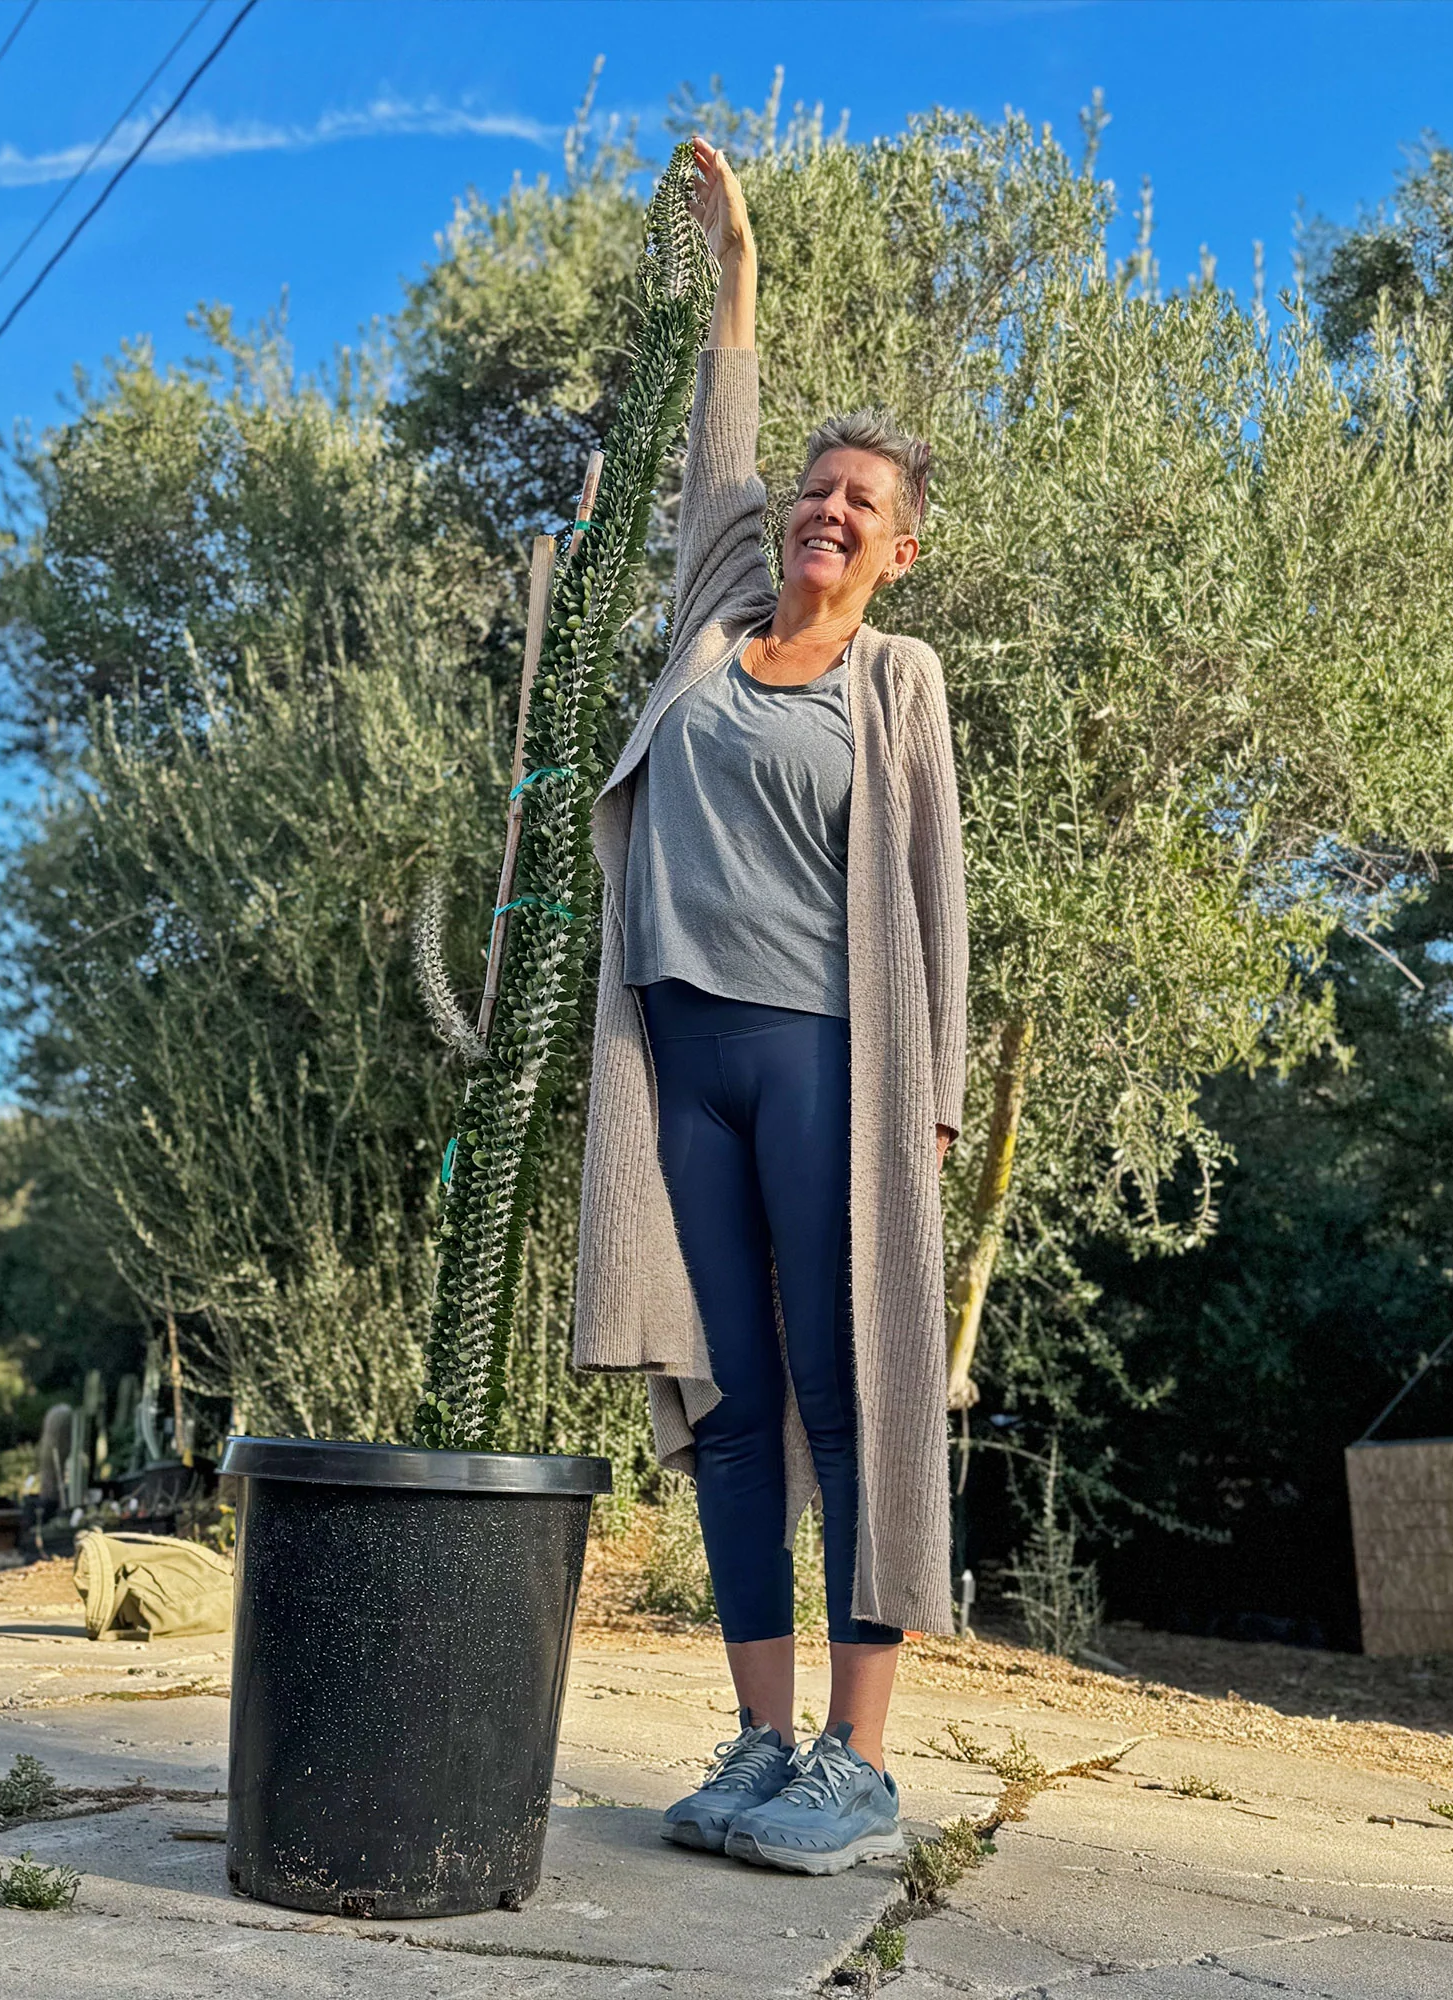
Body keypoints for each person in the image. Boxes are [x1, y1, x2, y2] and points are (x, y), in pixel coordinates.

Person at [572, 135, 969, 1877]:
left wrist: (936, 1100)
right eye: (815, 490)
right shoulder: (712, 625)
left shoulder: (900, 683)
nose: (824, 511)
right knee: (728, 1399)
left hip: (829, 1064)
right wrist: (739, 275)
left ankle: (857, 1762)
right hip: (679, 1053)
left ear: (896, 551)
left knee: (850, 1390)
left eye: (859, 506)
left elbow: (937, 905)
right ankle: (752, 1737)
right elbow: (712, 453)